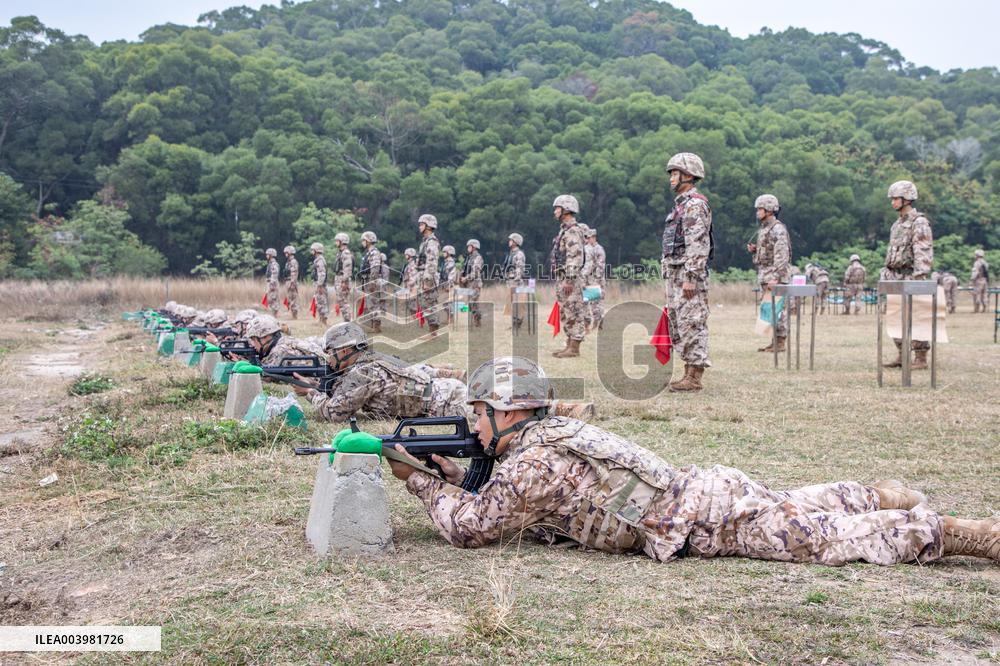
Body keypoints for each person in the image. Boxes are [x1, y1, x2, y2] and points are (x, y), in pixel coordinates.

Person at [382, 356, 1000, 566]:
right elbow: (509, 502)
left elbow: (475, 527)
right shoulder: (550, 438)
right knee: (785, 509)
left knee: (814, 541)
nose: (474, 424)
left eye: (481, 412)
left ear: (509, 412)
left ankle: (955, 534)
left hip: (694, 520)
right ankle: (876, 494)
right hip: (698, 491)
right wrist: (449, 472)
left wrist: (417, 482)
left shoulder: (531, 463)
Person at [291, 322, 469, 423]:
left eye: (330, 353)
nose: (328, 359)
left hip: (450, 404)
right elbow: (345, 394)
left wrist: (309, 393)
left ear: (343, 351)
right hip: (446, 392)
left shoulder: (362, 373)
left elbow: (335, 413)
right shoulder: (369, 359)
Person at [661, 153, 713, 391]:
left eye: (675, 173)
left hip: (688, 275)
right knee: (679, 323)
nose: (671, 178)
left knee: (692, 321)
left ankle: (694, 376)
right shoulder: (680, 206)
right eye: (671, 173)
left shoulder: (694, 205)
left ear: (689, 175)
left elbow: (698, 245)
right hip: (675, 274)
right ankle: (687, 372)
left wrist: (691, 277)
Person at [881, 180, 933, 370]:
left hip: (911, 276)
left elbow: (923, 251)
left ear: (907, 199)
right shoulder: (896, 225)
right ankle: (902, 354)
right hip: (895, 277)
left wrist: (918, 278)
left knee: (917, 317)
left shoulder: (919, 222)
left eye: (896, 199)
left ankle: (920, 358)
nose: (892, 202)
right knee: (894, 317)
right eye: (892, 199)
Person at [748, 194, 791, 353]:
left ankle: (780, 343)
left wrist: (775, 278)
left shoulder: (778, 229)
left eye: (760, 209)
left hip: (775, 276)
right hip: (766, 275)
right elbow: (767, 254)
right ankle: (775, 342)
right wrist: (755, 251)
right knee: (770, 309)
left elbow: (782, 255)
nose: (757, 212)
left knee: (778, 309)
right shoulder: (765, 229)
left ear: (770, 210)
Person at [549, 195, 587, 357]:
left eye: (557, 208)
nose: (555, 211)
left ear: (566, 210)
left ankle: (574, 348)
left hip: (569, 279)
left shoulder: (572, 230)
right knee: (566, 311)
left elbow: (575, 256)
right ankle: (569, 344)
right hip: (563, 277)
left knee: (574, 311)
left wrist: (569, 279)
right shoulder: (564, 230)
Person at [245, 314, 322, 366]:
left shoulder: (279, 350)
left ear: (265, 337)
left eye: (254, 339)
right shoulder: (283, 341)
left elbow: (266, 374)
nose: (252, 344)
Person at [417, 214, 443, 333]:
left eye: (422, 224)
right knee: (425, 305)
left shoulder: (431, 242)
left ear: (428, 226)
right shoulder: (425, 241)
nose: (419, 227)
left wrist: (427, 281)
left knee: (429, 304)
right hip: (424, 276)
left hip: (429, 277)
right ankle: (433, 329)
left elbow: (432, 262)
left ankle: (434, 331)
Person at [359, 231, 383, 333]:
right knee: (370, 304)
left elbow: (375, 268)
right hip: (368, 280)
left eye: (363, 240)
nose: (362, 242)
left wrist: (372, 282)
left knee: (374, 304)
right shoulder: (368, 253)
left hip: (372, 281)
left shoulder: (374, 253)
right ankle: (373, 325)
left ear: (368, 241)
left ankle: (376, 326)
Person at [583, 226, 606, 331]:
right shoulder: (587, 249)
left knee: (596, 302)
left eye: (589, 238)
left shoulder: (598, 249)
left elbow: (600, 265)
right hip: (589, 278)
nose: (587, 240)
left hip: (597, 279)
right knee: (590, 301)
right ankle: (594, 321)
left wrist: (597, 279)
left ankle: (598, 322)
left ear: (593, 237)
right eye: (586, 238)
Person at [459, 239, 484, 328]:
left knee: (473, 302)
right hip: (469, 284)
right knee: (471, 304)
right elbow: (465, 270)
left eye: (469, 246)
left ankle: (477, 321)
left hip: (475, 284)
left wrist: (466, 278)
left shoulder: (478, 257)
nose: (468, 248)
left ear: (474, 247)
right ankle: (476, 320)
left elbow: (476, 272)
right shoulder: (469, 258)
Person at [505, 233, 527, 331]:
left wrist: (516, 280)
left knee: (518, 304)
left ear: (516, 242)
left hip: (516, 282)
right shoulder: (511, 254)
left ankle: (518, 323)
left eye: (511, 240)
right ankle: (514, 324)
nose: (509, 242)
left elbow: (520, 268)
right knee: (512, 304)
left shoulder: (519, 254)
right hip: (510, 282)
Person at [333, 233, 353, 322]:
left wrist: (344, 281)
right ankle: (346, 321)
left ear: (342, 242)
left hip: (343, 279)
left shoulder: (345, 253)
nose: (336, 242)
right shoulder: (340, 253)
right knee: (341, 302)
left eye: (337, 241)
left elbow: (347, 268)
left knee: (344, 302)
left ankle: (348, 321)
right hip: (339, 278)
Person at [310, 242, 330, 326]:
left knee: (322, 302)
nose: (311, 251)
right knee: (319, 302)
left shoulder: (320, 260)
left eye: (312, 250)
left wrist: (319, 285)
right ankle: (321, 319)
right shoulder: (317, 260)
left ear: (316, 250)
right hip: (318, 284)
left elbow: (322, 274)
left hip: (320, 285)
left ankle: (324, 320)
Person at [441, 245, 457, 324]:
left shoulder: (451, 262)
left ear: (449, 253)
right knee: (445, 303)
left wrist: (449, 285)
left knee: (449, 303)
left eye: (445, 252)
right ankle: (448, 319)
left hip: (449, 285)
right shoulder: (445, 262)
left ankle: (451, 320)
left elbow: (451, 274)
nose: (443, 253)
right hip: (445, 284)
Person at [971, 249, 990, 313]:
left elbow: (975, 272)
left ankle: (976, 309)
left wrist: (972, 279)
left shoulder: (977, 263)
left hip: (978, 280)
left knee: (977, 294)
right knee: (984, 295)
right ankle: (985, 308)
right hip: (985, 280)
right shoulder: (985, 262)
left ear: (977, 255)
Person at [284, 245, 300, 320]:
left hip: (291, 281)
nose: (285, 254)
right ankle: (292, 314)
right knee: (290, 298)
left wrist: (293, 283)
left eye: (286, 252)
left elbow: (294, 272)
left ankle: (295, 315)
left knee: (293, 298)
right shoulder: (288, 262)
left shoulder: (293, 262)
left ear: (290, 253)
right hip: (288, 281)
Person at [264, 248, 280, 316]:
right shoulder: (270, 264)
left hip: (272, 283)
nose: (266, 256)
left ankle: (275, 314)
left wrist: (272, 284)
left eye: (268, 254)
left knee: (273, 298)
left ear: (271, 255)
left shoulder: (274, 264)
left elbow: (274, 274)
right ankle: (273, 313)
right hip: (270, 282)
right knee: (270, 298)